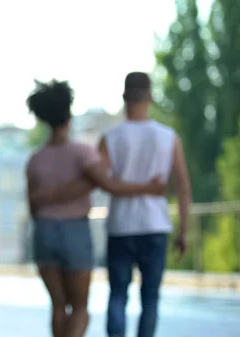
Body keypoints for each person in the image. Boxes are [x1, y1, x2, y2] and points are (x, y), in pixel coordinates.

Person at [25, 79, 167, 337]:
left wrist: (51, 198)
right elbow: (109, 184)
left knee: (58, 306)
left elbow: (33, 205)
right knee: (80, 309)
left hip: (43, 232)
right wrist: (148, 188)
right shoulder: (82, 153)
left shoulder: (35, 159)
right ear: (69, 113)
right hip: (75, 232)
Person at [99, 72, 191, 337]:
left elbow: (103, 182)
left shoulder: (110, 139)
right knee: (150, 298)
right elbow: (183, 187)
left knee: (117, 295)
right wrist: (183, 230)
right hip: (155, 225)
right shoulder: (168, 137)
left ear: (124, 96)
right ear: (150, 95)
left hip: (120, 226)